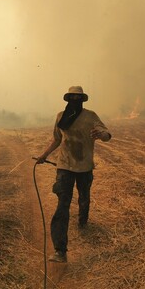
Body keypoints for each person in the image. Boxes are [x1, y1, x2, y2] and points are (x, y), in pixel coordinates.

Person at [36, 86, 111, 263]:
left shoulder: (91, 116)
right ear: (68, 99)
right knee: (62, 205)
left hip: (85, 166)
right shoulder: (61, 117)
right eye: (72, 97)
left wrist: (101, 134)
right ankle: (60, 250)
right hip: (64, 166)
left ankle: (83, 221)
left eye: (78, 98)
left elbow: (107, 134)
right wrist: (44, 155)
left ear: (83, 100)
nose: (75, 100)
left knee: (84, 198)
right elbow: (57, 138)